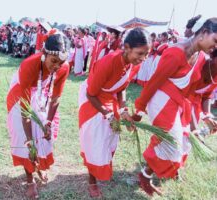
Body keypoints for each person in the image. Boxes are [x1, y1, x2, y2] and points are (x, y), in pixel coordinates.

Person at [133, 18, 217, 196]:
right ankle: (145, 175)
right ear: (203, 33)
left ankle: (146, 175)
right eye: (215, 40)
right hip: (161, 101)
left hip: (178, 103)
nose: (215, 46)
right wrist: (139, 108)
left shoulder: (201, 56)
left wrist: (203, 114)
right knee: (173, 145)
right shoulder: (176, 53)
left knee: (180, 142)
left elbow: (195, 92)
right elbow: (154, 83)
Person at [78, 27, 151, 198]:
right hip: (93, 101)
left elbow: (122, 88)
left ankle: (101, 167)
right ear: (126, 48)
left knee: (111, 138)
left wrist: (123, 109)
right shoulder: (109, 62)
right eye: (140, 53)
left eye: (146, 54)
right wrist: (109, 115)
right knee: (96, 142)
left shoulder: (134, 65)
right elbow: (91, 93)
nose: (143, 58)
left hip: (110, 100)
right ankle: (92, 181)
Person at [6, 32, 70, 199]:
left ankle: (40, 165)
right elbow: (26, 110)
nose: (57, 66)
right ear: (44, 53)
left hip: (43, 94)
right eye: (53, 61)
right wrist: (29, 141)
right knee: (26, 136)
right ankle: (29, 179)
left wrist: (48, 122)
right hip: (21, 95)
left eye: (61, 63)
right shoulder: (30, 65)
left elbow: (55, 98)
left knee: (44, 133)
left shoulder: (63, 67)